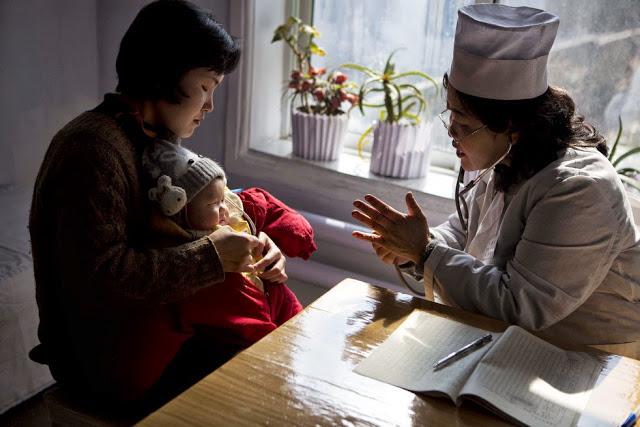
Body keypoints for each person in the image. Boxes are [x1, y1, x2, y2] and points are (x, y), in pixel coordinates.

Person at [28, 0, 295, 407]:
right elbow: (99, 278)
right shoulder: (93, 148)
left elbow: (176, 228)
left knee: (277, 352)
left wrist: (254, 243)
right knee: (263, 382)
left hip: (150, 327)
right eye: (205, 87)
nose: (209, 106)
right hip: (101, 358)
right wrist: (213, 258)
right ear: (165, 73)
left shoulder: (150, 138)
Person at [351, 3, 640, 357]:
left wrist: (424, 251)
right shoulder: (505, 159)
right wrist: (409, 249)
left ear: (513, 127)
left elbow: (519, 305)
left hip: (596, 359)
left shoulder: (580, 190)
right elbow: (461, 233)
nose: (452, 134)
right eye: (449, 116)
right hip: (518, 346)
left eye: (464, 124)